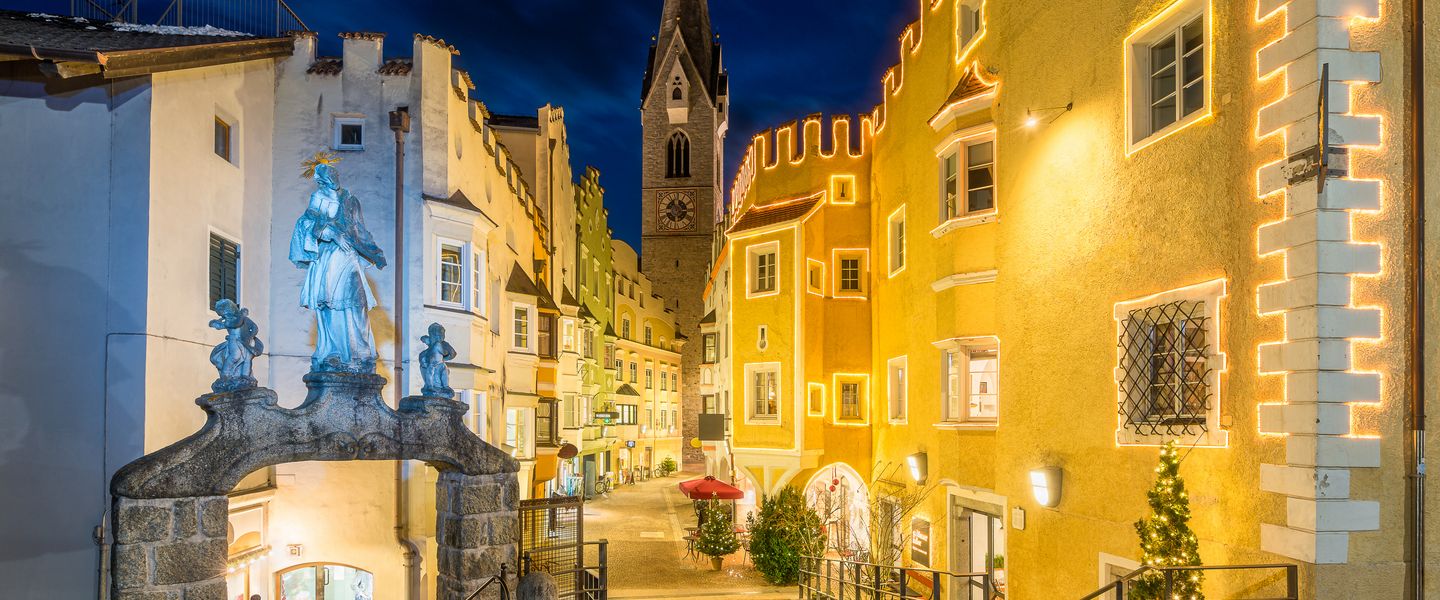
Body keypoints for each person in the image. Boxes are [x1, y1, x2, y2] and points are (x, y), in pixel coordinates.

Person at [289, 154, 387, 373]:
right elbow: (306, 223)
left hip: (349, 256)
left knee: (357, 302)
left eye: (332, 175)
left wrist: (373, 252)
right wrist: (331, 233)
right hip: (329, 257)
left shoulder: (351, 200)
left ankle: (361, 353)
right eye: (325, 178)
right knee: (331, 304)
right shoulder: (318, 198)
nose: (330, 179)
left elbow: (360, 228)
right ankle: (334, 353)